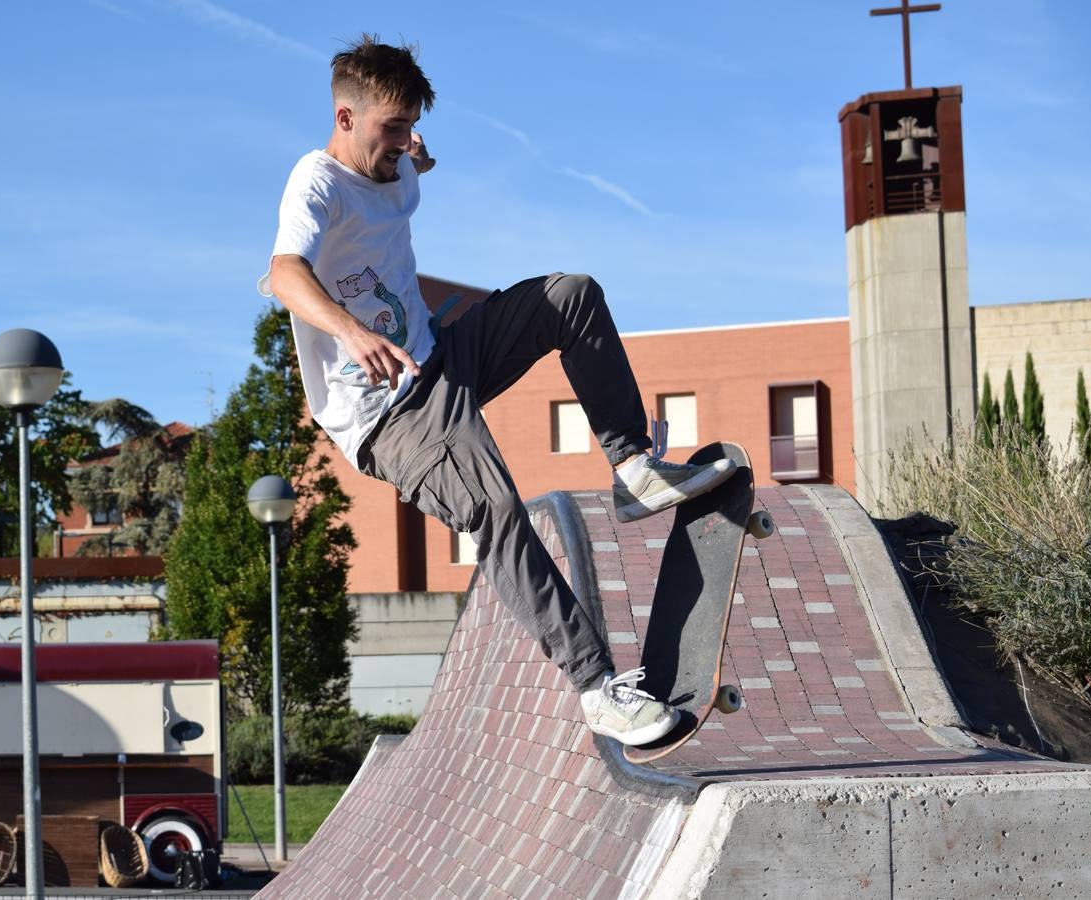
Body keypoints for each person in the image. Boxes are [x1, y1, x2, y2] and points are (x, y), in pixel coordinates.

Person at [259, 36, 735, 746]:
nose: (403, 144)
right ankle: (598, 690)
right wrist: (349, 332)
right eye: (391, 130)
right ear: (345, 117)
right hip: (389, 415)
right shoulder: (317, 182)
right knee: (497, 510)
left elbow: (406, 163)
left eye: (411, 127)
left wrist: (414, 158)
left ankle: (632, 469)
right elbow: (284, 273)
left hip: (441, 357)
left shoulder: (399, 167)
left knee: (570, 297)